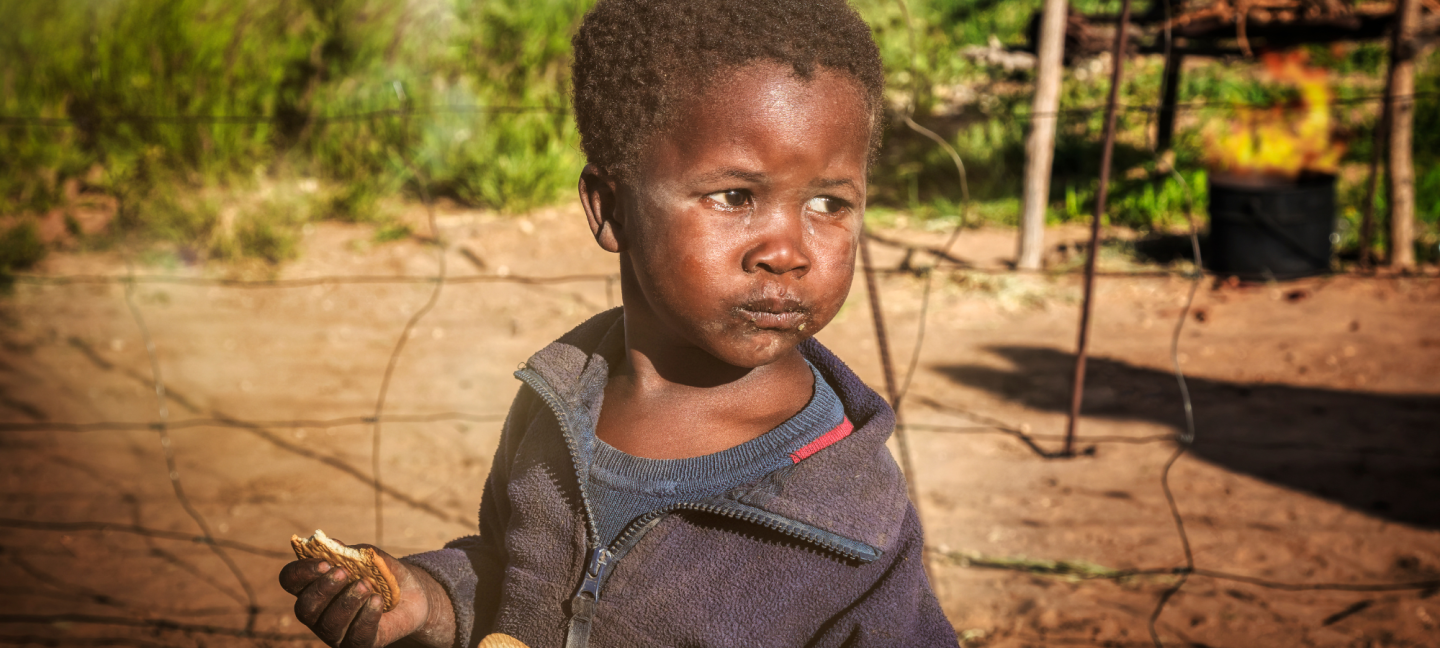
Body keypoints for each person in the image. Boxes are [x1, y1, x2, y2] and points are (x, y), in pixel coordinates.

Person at [279, 0, 957, 645]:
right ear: (611, 208)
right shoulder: (558, 402)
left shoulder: (849, 517)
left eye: (829, 204)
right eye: (734, 196)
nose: (785, 251)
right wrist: (427, 601)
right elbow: (522, 586)